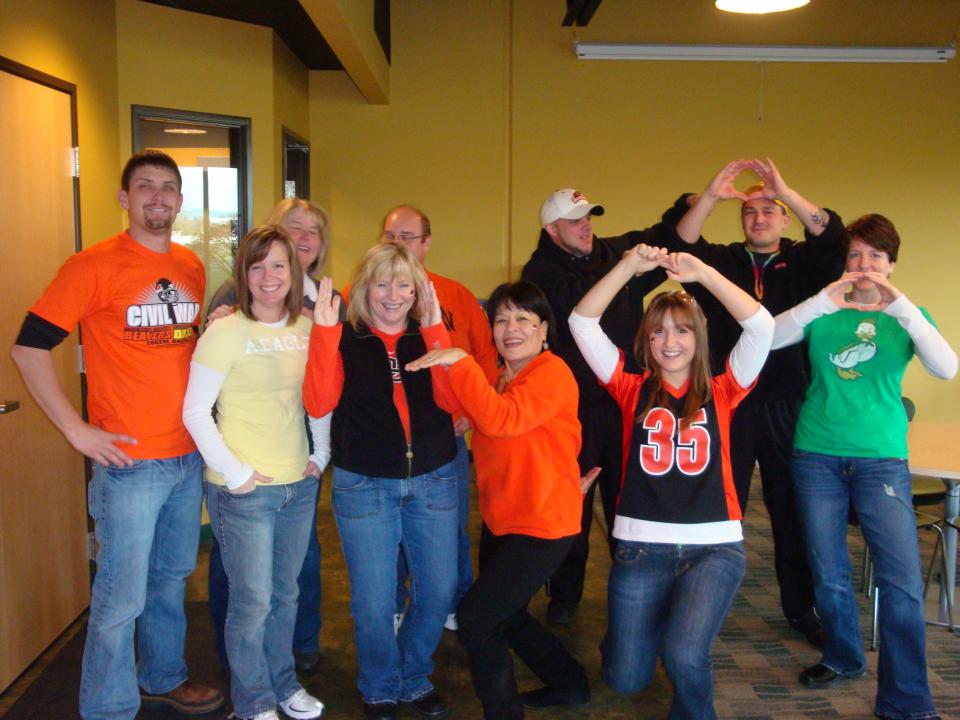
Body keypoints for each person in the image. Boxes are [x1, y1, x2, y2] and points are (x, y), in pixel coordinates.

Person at [10, 150, 224, 719]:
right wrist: (75, 429)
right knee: (120, 595)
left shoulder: (190, 265)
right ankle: (107, 708)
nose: (158, 196)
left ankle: (162, 676)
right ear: (124, 198)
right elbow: (28, 348)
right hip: (129, 465)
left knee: (171, 580)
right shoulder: (92, 265)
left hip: (186, 456)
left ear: (180, 201)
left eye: (168, 187)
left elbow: (184, 350)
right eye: (145, 186)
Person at [570, 245, 774, 719]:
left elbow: (761, 326)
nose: (669, 341)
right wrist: (627, 267)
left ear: (699, 337)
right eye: (658, 330)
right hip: (642, 549)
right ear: (645, 340)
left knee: (685, 657)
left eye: (682, 330)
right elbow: (582, 322)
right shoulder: (629, 387)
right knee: (625, 678)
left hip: (714, 548)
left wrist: (702, 273)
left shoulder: (724, 389)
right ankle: (642, 631)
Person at [771, 214, 956, 720]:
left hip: (881, 462)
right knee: (828, 571)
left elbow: (946, 368)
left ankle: (906, 699)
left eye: (876, 256)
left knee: (900, 584)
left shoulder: (909, 317)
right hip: (816, 455)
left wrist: (904, 309)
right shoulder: (825, 310)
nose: (864, 264)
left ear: (891, 265)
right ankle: (843, 655)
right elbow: (766, 338)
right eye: (855, 254)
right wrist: (819, 301)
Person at [668, 158, 845, 647]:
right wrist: (710, 195)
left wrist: (785, 190)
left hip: (789, 401)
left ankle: (801, 609)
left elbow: (833, 237)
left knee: (792, 510)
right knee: (719, 507)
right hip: (728, 401)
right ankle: (700, 607)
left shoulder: (805, 262)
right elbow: (683, 243)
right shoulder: (723, 261)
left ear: (785, 218)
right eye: (750, 212)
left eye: (769, 210)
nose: (759, 218)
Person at [406, 281, 593, 719]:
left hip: (543, 524)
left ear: (543, 329)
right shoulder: (497, 377)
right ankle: (571, 684)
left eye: (523, 319)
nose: (511, 328)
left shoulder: (551, 372)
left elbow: (502, 420)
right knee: (506, 616)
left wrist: (459, 360)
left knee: (476, 620)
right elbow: (469, 411)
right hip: (503, 519)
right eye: (502, 319)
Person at [303, 242, 459, 720]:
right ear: (364, 289)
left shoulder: (428, 334)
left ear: (417, 291)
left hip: (433, 480)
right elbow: (318, 402)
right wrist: (325, 334)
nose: (393, 295)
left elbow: (453, 403)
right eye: (382, 283)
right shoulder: (345, 336)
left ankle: (413, 675)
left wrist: (434, 329)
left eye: (403, 285)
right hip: (365, 485)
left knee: (437, 592)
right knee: (373, 602)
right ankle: (380, 685)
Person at [520, 188, 685, 624]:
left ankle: (635, 587)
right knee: (571, 503)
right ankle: (565, 594)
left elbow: (665, 234)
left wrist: (689, 205)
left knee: (628, 499)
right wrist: (628, 267)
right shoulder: (539, 273)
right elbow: (579, 304)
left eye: (589, 217)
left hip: (627, 401)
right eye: (575, 220)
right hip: (573, 409)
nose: (586, 225)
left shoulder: (611, 252)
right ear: (551, 229)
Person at [182, 225, 327, 720]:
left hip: (297, 484)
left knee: (286, 595)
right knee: (252, 603)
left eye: (279, 265)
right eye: (257, 265)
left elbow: (318, 399)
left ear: (295, 272)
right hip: (242, 490)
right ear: (243, 274)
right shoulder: (225, 331)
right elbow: (195, 411)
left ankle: (283, 685)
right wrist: (236, 472)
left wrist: (321, 454)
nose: (269, 276)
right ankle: (253, 701)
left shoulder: (307, 329)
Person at [206, 198, 338, 673]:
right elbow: (209, 383)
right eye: (293, 227)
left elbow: (328, 377)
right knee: (241, 567)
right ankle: (239, 660)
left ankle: (297, 648)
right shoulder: (235, 294)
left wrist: (322, 451)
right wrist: (232, 464)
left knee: (297, 563)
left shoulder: (326, 298)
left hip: (302, 446)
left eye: (313, 231)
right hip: (246, 451)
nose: (303, 238)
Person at [379, 205, 498, 633]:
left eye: (407, 237)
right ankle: (394, 604)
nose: (398, 245)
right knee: (390, 534)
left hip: (446, 439)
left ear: (427, 243)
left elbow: (485, 358)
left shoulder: (456, 296)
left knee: (450, 530)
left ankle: (452, 604)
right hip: (388, 444)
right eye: (390, 237)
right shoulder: (365, 293)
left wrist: (468, 412)